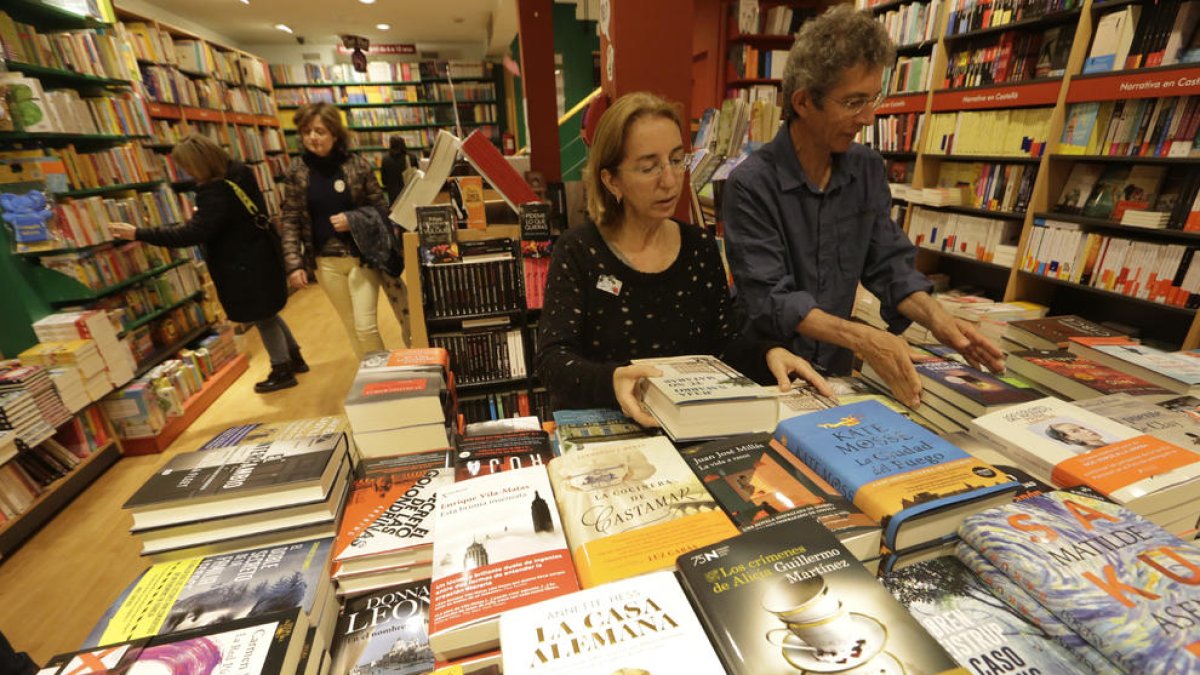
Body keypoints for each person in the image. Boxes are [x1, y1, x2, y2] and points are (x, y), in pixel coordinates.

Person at [721, 5, 1004, 409]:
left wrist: (937, 318)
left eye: (873, 98)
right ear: (802, 102)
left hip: (834, 378)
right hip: (766, 375)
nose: (869, 117)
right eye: (853, 102)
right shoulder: (752, 183)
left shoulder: (866, 168)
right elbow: (770, 299)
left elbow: (888, 264)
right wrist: (863, 338)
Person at [535, 92, 832, 426]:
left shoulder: (698, 247)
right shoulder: (578, 251)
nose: (670, 180)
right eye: (649, 167)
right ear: (611, 179)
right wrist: (612, 380)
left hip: (692, 426)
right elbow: (553, 361)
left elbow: (724, 342)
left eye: (677, 160)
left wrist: (769, 353)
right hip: (611, 427)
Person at [109, 135, 304, 394]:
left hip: (243, 265)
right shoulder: (239, 173)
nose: (187, 173)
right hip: (262, 254)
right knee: (267, 311)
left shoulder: (215, 192)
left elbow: (190, 235)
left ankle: (282, 370)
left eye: (187, 167)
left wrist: (138, 233)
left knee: (262, 316)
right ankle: (294, 358)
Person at [280, 102, 411, 358]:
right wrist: (294, 264)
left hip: (361, 257)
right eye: (307, 132)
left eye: (319, 131)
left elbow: (382, 210)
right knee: (352, 327)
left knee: (365, 326)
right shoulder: (297, 171)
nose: (312, 138)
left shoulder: (357, 165)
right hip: (325, 262)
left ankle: (382, 379)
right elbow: (291, 219)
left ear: (335, 133)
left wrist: (353, 219)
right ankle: (373, 380)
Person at [380, 134, 416, 206]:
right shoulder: (411, 157)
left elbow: (384, 181)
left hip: (393, 196)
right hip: (409, 193)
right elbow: (417, 175)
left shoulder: (385, 159)